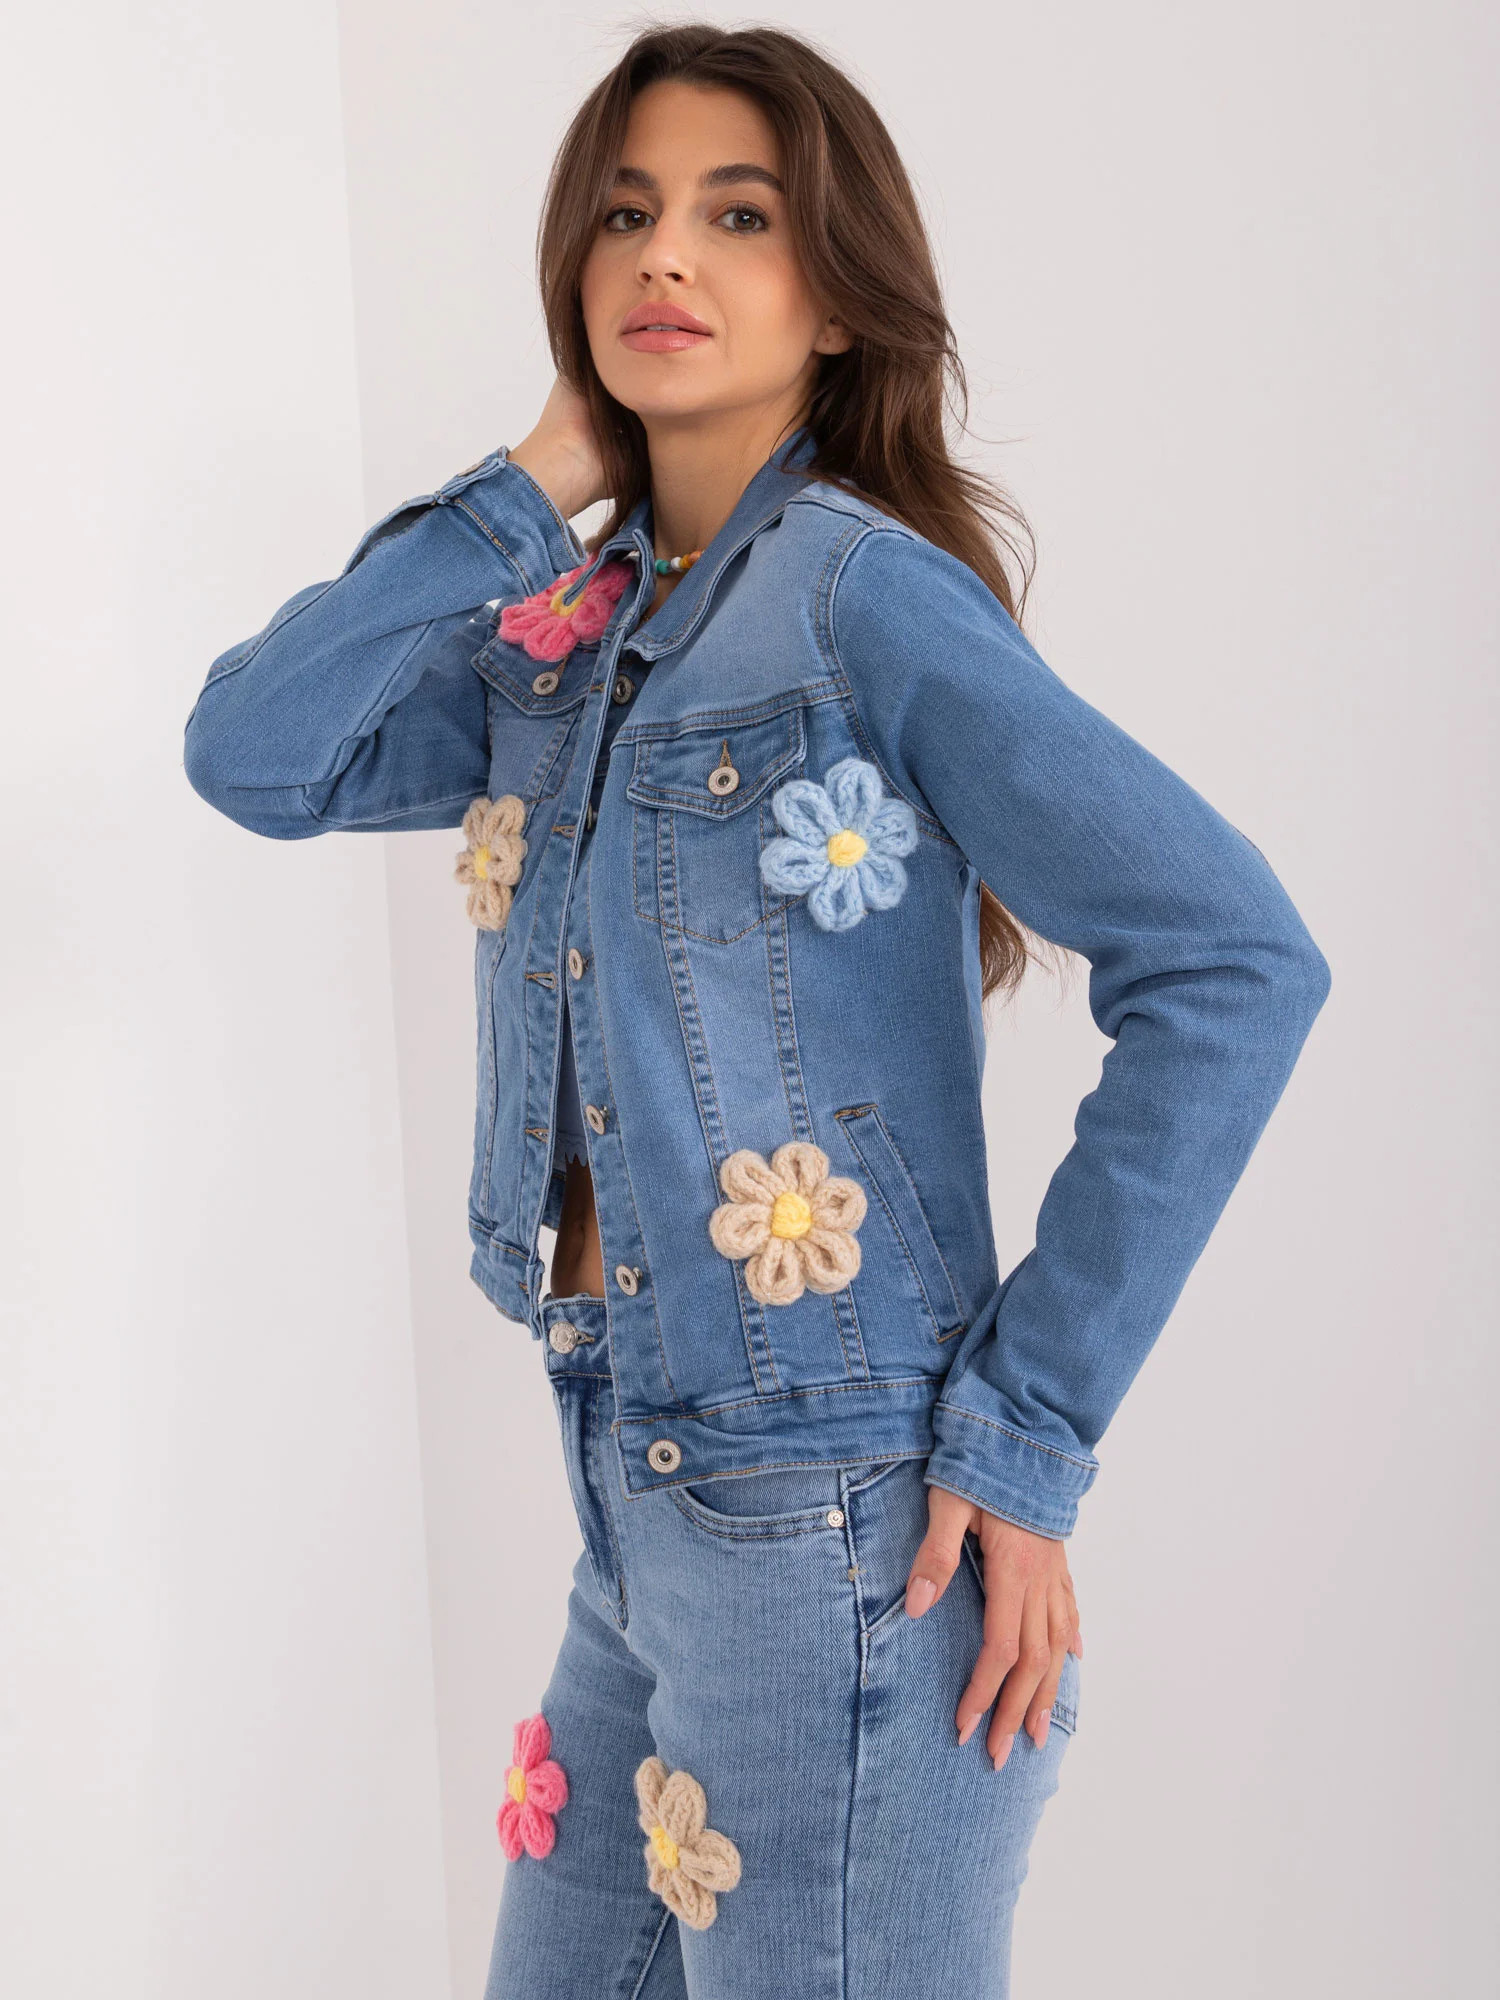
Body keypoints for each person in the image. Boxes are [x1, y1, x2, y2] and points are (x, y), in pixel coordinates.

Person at [182, 23, 1330, 1998]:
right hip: (630, 1507)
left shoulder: (865, 598)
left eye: (739, 216)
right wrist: (535, 486)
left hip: (841, 1533)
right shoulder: (555, 645)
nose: (666, 255)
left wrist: (1027, 1434)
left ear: (838, 294)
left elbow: (1235, 960)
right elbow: (255, 750)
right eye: (624, 214)